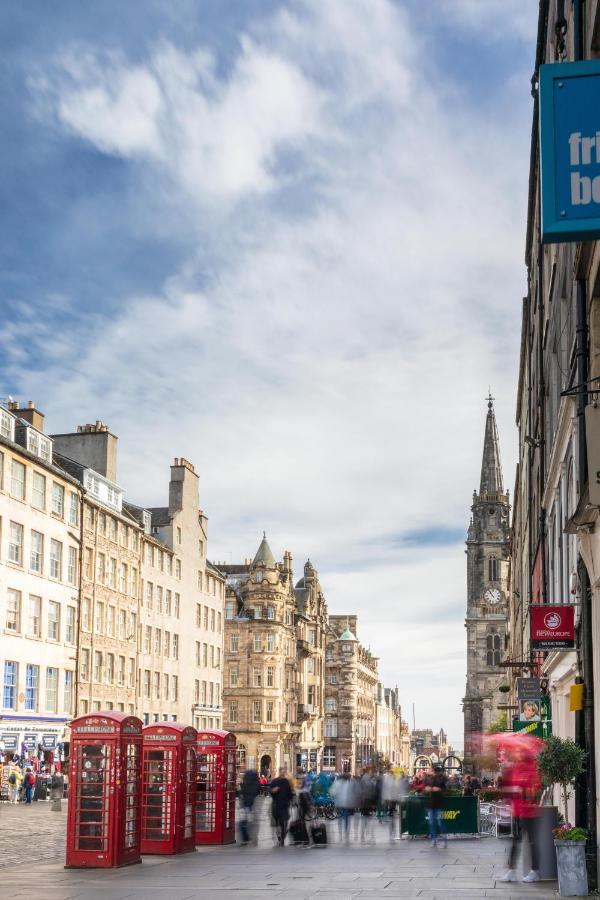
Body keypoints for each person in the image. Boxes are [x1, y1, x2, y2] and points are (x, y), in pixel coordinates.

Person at [499, 749, 542, 883]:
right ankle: (511, 871)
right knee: (516, 840)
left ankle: (534, 871)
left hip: (528, 812)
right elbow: (511, 786)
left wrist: (518, 789)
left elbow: (531, 790)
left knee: (532, 841)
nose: (518, 754)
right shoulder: (517, 768)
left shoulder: (531, 768)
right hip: (518, 811)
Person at [270, 767, 294, 846]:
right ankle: (279, 836)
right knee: (278, 823)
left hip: (285, 805)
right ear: (279, 772)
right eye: (282, 772)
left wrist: (291, 801)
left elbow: (290, 793)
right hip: (276, 804)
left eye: (284, 772)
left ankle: (282, 837)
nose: (283, 773)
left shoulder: (287, 782)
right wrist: (273, 790)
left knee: (285, 822)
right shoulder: (275, 781)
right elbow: (270, 790)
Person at [424, 765, 447, 848]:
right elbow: (425, 789)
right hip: (430, 804)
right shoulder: (428, 779)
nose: (430, 772)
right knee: (431, 822)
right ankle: (434, 839)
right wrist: (427, 789)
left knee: (440, 822)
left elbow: (445, 790)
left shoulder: (441, 779)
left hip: (439, 803)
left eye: (431, 770)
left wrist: (439, 789)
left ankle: (444, 839)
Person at [330, 772, 357, 843]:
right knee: (347, 819)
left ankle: (340, 835)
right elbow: (354, 793)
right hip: (347, 804)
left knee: (340, 819)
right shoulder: (350, 783)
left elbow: (332, 792)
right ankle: (346, 835)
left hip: (340, 804)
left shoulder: (337, 782)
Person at [239, 769, 261, 846]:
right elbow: (258, 791)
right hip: (252, 804)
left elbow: (241, 793)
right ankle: (254, 839)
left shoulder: (244, 783)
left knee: (243, 822)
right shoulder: (256, 783)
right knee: (252, 822)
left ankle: (245, 839)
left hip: (244, 804)